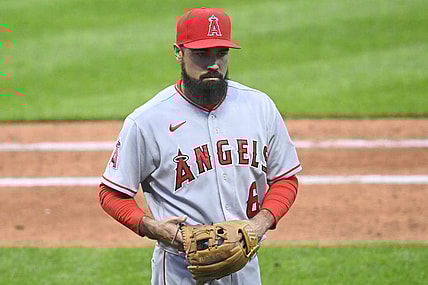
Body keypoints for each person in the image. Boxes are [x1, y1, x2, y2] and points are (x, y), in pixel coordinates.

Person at [98, 7, 301, 285]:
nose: (213, 64)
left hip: (247, 267)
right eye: (201, 54)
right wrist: (154, 228)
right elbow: (111, 193)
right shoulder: (147, 121)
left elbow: (285, 179)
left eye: (221, 53)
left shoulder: (260, 107)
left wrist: (259, 224)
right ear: (178, 52)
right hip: (182, 272)